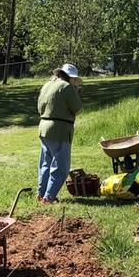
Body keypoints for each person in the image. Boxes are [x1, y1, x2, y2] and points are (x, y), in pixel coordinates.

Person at [36, 63, 83, 204]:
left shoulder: (46, 85)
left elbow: (39, 107)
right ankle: (49, 197)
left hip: (44, 128)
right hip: (60, 130)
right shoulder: (66, 87)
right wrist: (76, 92)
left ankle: (41, 194)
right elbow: (78, 108)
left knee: (45, 163)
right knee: (60, 166)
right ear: (70, 77)